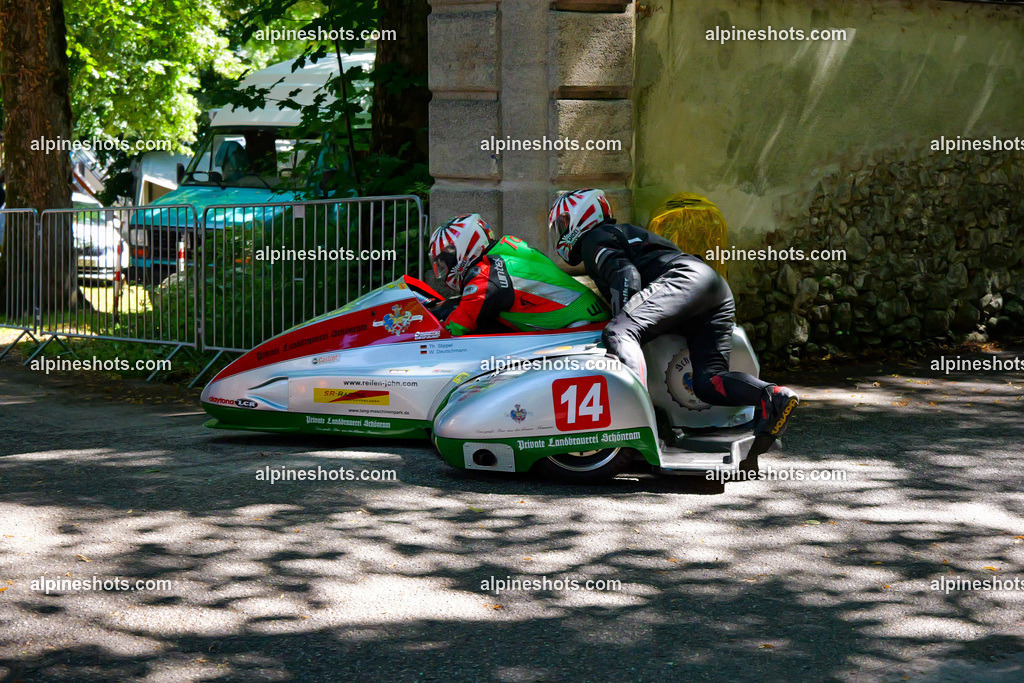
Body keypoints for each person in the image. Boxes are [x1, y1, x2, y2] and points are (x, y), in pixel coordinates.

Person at [548, 189, 799, 453]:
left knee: (619, 333)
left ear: (581, 215)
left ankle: (639, 423)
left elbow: (626, 275)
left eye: (564, 223)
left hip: (683, 279)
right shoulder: (619, 233)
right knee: (707, 382)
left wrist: (623, 322)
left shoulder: (594, 239)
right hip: (712, 287)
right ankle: (773, 396)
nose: (563, 232)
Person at [428, 213, 610, 336]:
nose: (445, 270)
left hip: (580, 327)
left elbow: (458, 327)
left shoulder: (485, 275)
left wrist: (430, 330)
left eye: (445, 262)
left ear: (462, 250)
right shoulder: (506, 249)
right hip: (589, 317)